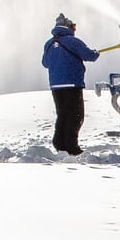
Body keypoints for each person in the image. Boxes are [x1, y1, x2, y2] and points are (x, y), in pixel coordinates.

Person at [42, 13, 100, 155]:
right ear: (68, 27)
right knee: (76, 116)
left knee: (62, 115)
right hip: (72, 83)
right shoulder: (73, 41)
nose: (74, 29)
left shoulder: (48, 43)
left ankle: (59, 144)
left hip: (56, 86)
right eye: (73, 26)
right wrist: (95, 53)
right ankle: (71, 147)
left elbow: (45, 63)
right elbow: (89, 56)